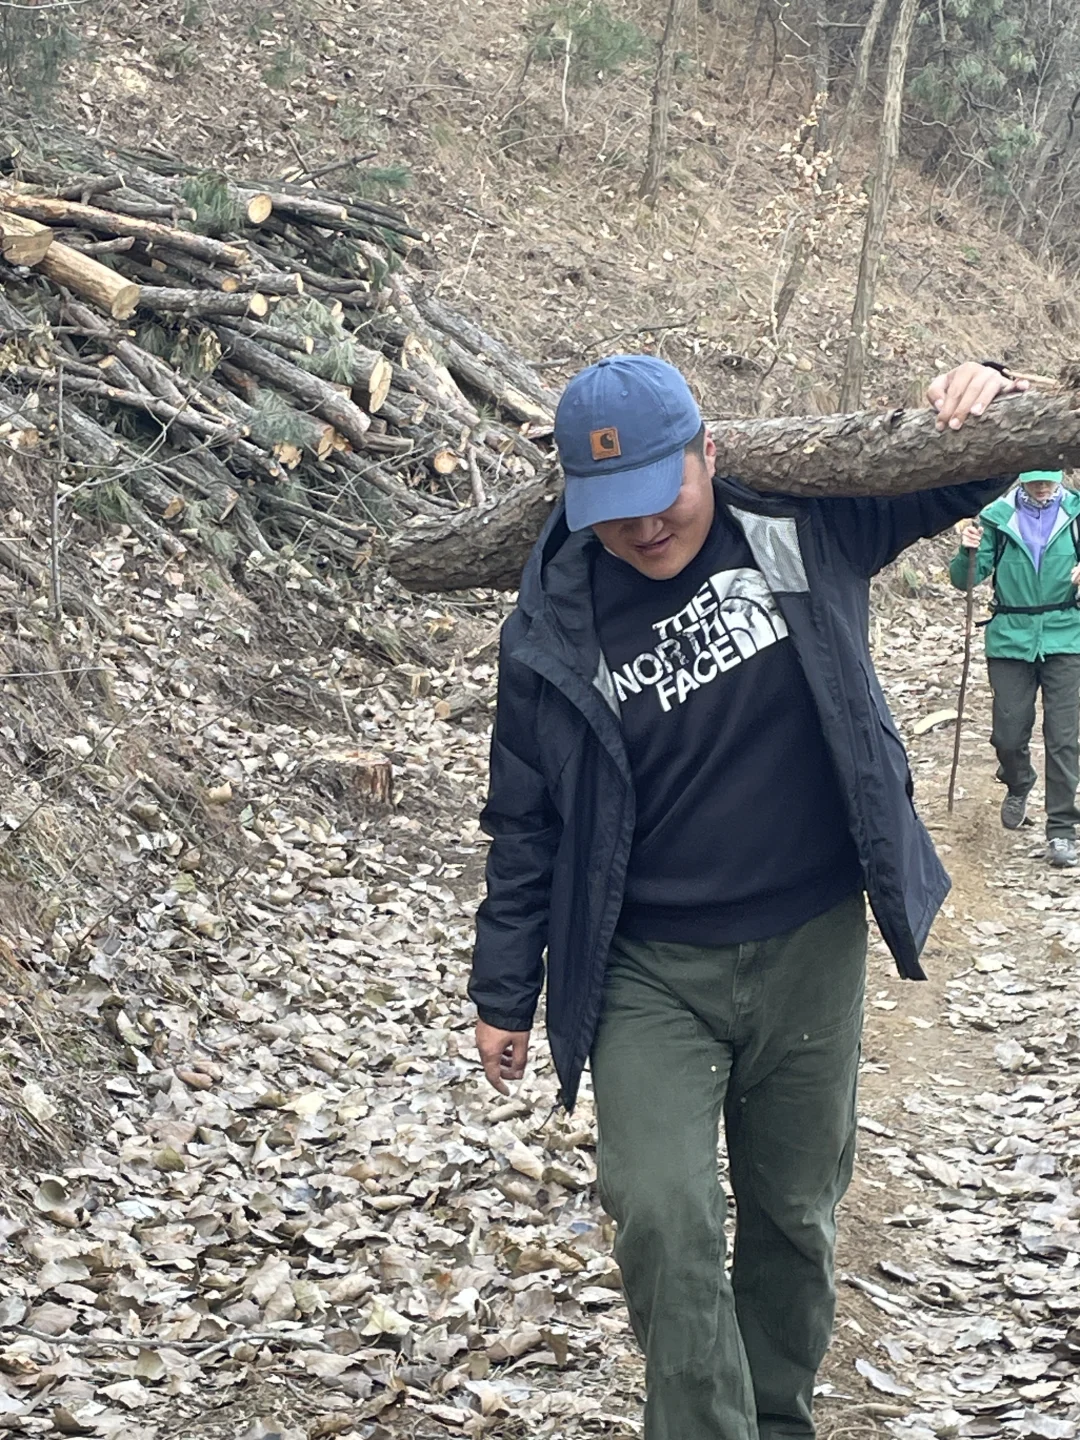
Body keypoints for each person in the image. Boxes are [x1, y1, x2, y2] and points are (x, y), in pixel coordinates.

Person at [469, 356, 1023, 1440]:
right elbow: (525, 817)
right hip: (646, 967)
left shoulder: (803, 531)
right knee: (663, 1214)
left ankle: (777, 1418)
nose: (640, 531)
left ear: (709, 455)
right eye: (610, 514)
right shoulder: (553, 622)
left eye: (659, 498)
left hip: (810, 942)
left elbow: (969, 473)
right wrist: (502, 987)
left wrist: (991, 387)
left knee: (794, 1217)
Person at [950, 470, 1080, 867]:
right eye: (1034, 480)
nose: (1042, 487)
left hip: (1067, 636)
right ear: (1021, 477)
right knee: (1007, 733)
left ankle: (1061, 830)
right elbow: (964, 580)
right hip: (1010, 638)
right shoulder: (995, 517)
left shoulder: (1076, 513)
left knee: (1063, 737)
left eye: (1048, 479)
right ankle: (1019, 781)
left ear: (1061, 474)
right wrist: (966, 550)